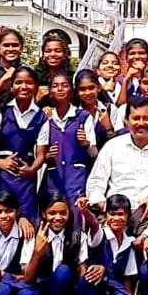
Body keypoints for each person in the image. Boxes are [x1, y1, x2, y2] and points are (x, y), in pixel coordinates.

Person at [85, 96, 148, 227]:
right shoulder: (112, 147)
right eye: (136, 118)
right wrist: (105, 207)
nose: (141, 123)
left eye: (146, 118)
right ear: (126, 121)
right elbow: (95, 184)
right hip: (115, 217)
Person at [20, 191, 95, 295]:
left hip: (66, 294)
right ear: (43, 213)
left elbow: (82, 272)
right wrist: (37, 252)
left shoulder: (78, 236)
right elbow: (27, 278)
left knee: (64, 271)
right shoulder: (34, 235)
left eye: (63, 213)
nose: (58, 218)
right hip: (43, 291)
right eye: (52, 213)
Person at [0, 67, 48, 224]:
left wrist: (31, 170)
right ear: (11, 87)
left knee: (26, 225)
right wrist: (1, 163)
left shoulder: (42, 117)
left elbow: (41, 154)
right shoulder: (0, 113)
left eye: (28, 83)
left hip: (24, 179)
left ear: (36, 87)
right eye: (18, 83)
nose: (23, 87)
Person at [78, 194, 140, 295]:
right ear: (106, 216)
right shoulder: (100, 235)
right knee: (92, 274)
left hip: (113, 293)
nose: (116, 218)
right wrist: (86, 212)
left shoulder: (128, 243)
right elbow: (93, 225)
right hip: (92, 290)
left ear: (128, 216)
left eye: (121, 214)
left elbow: (127, 279)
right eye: (112, 214)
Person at [45, 71, 101, 204]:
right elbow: (38, 152)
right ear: (50, 91)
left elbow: (94, 153)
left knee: (77, 213)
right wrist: (48, 156)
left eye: (64, 85)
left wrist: (85, 143)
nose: (60, 89)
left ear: (72, 90)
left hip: (77, 178)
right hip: (54, 178)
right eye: (55, 86)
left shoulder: (83, 116)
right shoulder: (46, 117)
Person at [0, 28, 28, 109]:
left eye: (15, 45)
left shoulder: (25, 72)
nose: (11, 49)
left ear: (21, 48)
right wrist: (4, 79)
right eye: (6, 45)